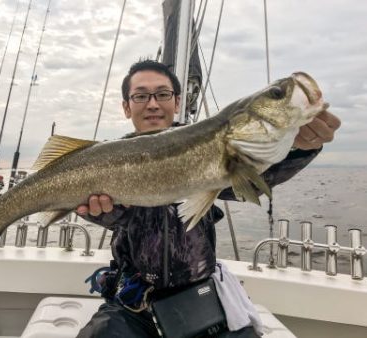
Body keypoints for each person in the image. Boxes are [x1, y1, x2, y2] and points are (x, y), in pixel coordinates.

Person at [76, 60, 341, 337]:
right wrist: (106, 213)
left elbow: (255, 180)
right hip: (130, 302)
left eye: (163, 94)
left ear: (177, 102)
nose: (152, 103)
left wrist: (299, 148)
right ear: (127, 106)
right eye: (141, 96)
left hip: (202, 296)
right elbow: (119, 218)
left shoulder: (210, 144)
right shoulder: (104, 159)